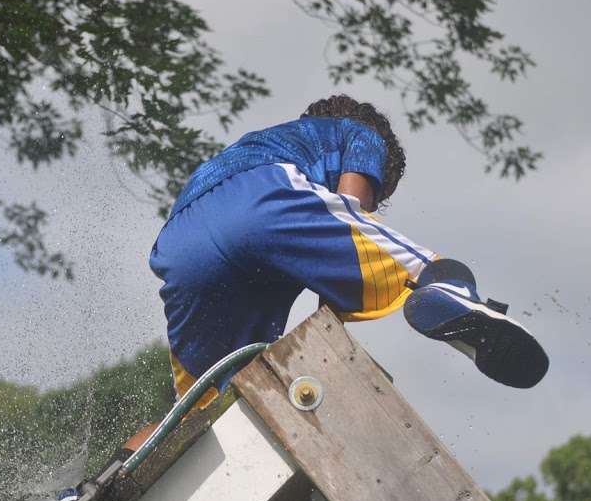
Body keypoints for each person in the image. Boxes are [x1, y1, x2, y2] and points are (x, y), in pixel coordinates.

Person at [138, 95, 547, 445]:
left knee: (199, 412)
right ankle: (459, 298)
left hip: (179, 245)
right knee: (424, 271)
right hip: (261, 200)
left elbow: (324, 297)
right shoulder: (356, 133)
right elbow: (351, 218)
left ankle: (106, 479)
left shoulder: (255, 146)